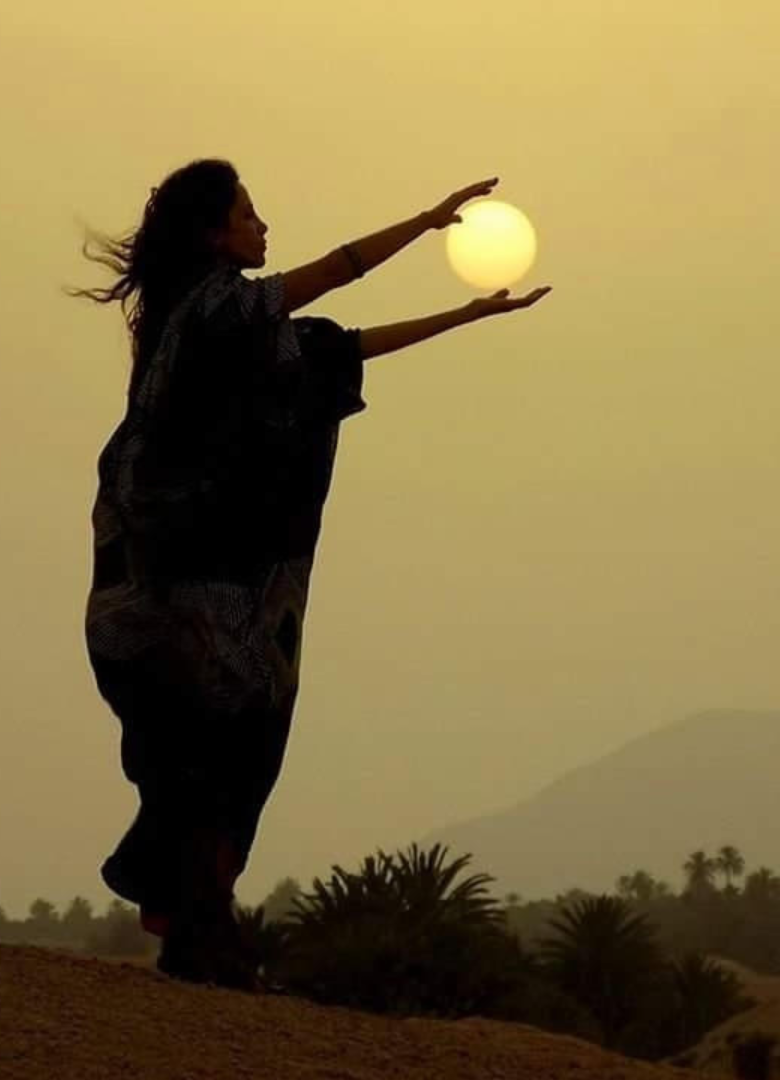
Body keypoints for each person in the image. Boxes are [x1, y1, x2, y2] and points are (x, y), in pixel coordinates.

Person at [66, 158, 551, 991]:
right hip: (177, 576)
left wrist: (470, 314)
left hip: (210, 582)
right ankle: (197, 930)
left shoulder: (242, 333)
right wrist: (428, 218)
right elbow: (331, 275)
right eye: (249, 215)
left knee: (223, 748)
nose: (262, 228)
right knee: (211, 745)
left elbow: (345, 350)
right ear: (214, 233)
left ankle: (193, 925)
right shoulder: (214, 306)